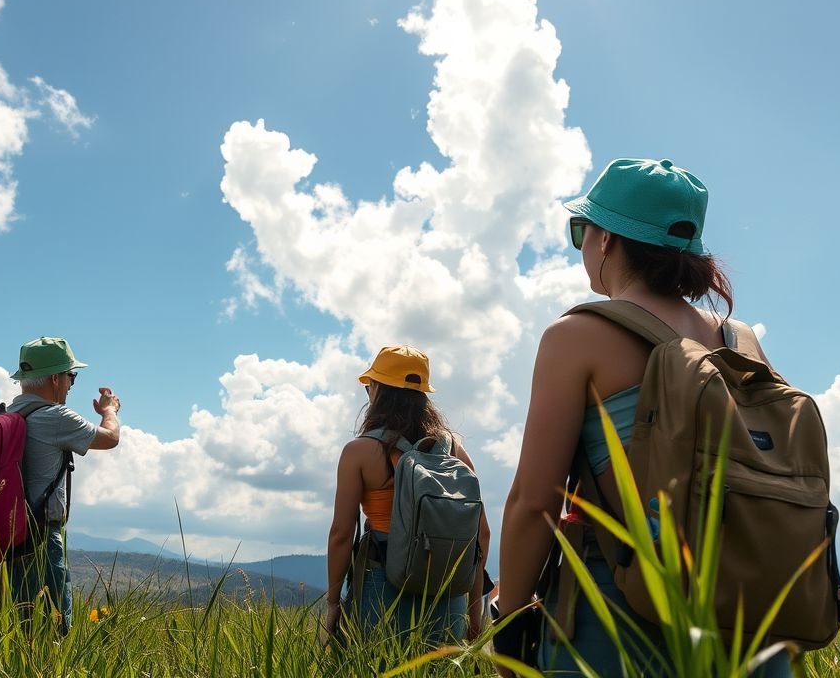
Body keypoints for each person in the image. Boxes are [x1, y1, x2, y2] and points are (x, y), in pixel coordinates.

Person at [493, 158, 787, 676]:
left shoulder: (576, 337)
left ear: (606, 239)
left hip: (620, 622)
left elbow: (533, 501)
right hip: (751, 624)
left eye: (581, 229)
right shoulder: (742, 341)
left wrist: (509, 627)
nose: (581, 244)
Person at [323, 345, 491, 643]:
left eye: (370, 387)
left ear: (377, 391)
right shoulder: (453, 450)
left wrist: (333, 603)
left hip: (382, 586)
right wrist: (474, 615)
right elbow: (482, 536)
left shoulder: (359, 452)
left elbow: (341, 534)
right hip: (447, 592)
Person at [0, 336, 121, 635]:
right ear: (55, 378)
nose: (69, 384)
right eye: (70, 377)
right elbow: (110, 438)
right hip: (37, 541)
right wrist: (109, 411)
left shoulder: (0, 419)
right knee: (49, 637)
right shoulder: (57, 417)